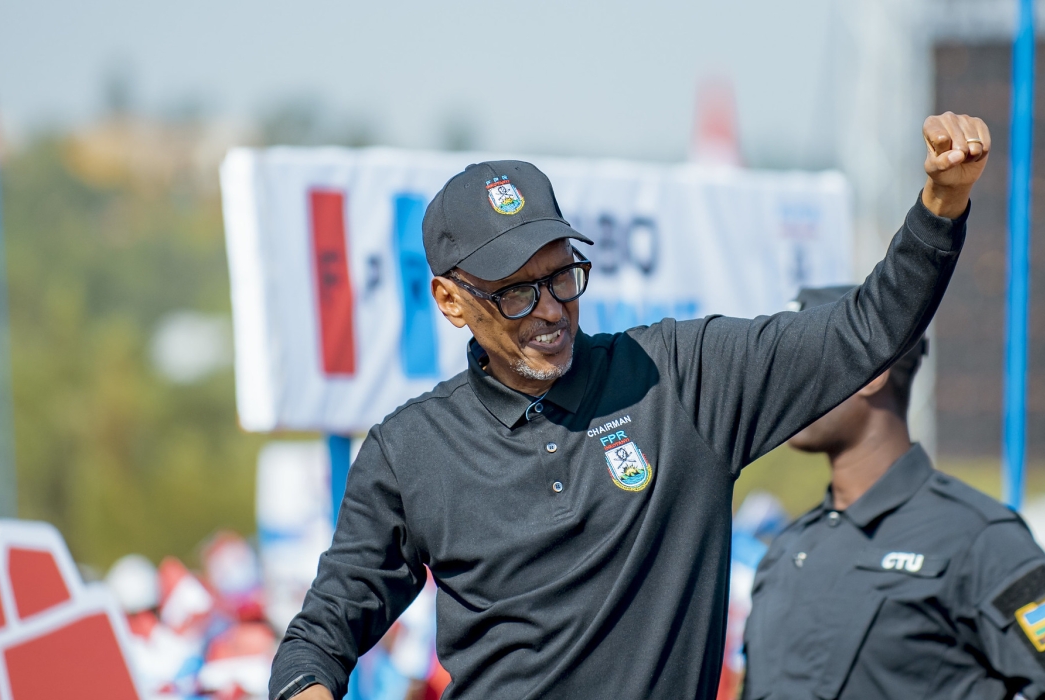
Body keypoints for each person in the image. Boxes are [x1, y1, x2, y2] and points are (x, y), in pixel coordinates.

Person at [269, 112, 989, 700]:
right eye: (515, 292)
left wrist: (942, 206)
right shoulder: (409, 450)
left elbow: (864, 332)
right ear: (450, 301)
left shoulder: (680, 378)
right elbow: (319, 638)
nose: (550, 309)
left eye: (562, 277)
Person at [741, 286, 1045, 700]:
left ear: (873, 373)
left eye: (802, 360)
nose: (781, 384)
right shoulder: (786, 549)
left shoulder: (981, 539)